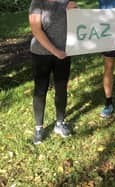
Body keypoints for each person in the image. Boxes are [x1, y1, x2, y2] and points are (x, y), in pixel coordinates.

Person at [29, 0, 78, 144]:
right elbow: (36, 30)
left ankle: (59, 123)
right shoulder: (37, 3)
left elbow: (79, 21)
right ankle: (39, 128)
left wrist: (75, 9)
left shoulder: (65, 1)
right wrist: (55, 51)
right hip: (41, 54)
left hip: (63, 54)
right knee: (40, 90)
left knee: (61, 89)